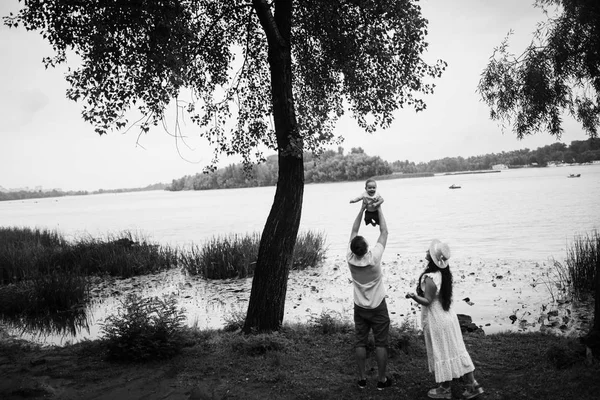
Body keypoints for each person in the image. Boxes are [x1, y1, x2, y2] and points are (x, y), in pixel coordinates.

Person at [406, 240, 484, 399]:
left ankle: (445, 389)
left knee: (442, 353)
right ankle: (473, 386)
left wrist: (413, 296)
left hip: (437, 319)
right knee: (457, 350)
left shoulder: (430, 277)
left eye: (428, 252)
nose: (426, 252)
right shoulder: (444, 274)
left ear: (432, 258)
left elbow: (427, 301)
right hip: (449, 316)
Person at [347, 202, 392, 390]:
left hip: (360, 308)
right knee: (381, 344)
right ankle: (382, 380)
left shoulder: (350, 258)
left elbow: (354, 229)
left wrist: (361, 210)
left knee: (360, 342)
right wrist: (378, 208)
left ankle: (362, 379)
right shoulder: (373, 258)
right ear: (366, 248)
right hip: (378, 307)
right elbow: (384, 233)